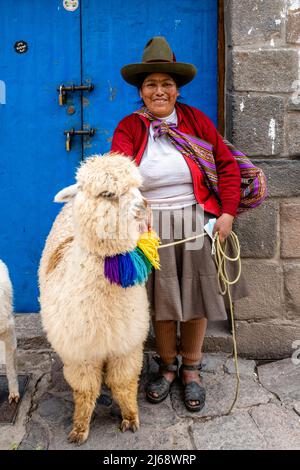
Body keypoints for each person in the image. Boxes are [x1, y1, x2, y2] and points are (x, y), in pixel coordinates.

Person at [111, 36, 248, 412]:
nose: (159, 91)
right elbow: (118, 175)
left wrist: (227, 213)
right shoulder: (130, 128)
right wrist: (134, 213)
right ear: (141, 91)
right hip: (149, 226)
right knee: (161, 301)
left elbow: (226, 166)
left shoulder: (195, 122)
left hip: (194, 220)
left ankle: (191, 368)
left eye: (166, 84)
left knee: (197, 296)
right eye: (151, 84)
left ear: (177, 90)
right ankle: (166, 365)